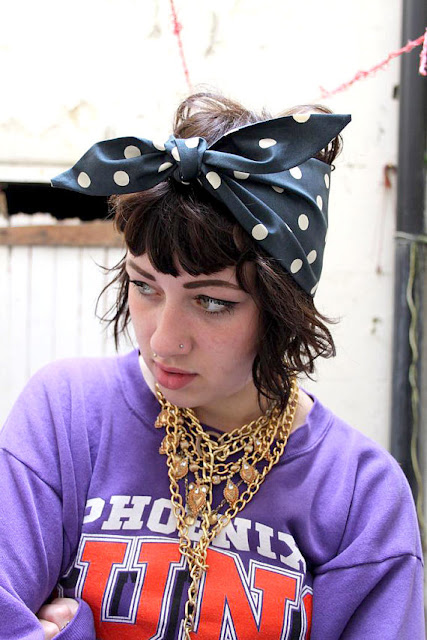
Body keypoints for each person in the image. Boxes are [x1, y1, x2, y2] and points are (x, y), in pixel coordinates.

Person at [0, 93, 424, 640]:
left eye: (212, 301)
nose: (164, 341)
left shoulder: (360, 495)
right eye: (145, 286)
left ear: (282, 308)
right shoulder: (67, 416)